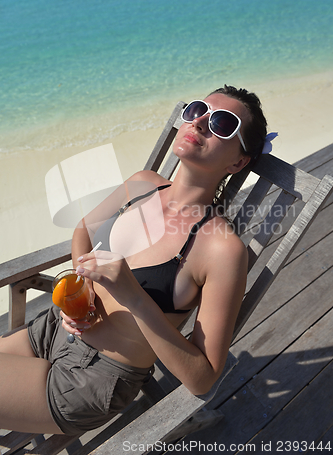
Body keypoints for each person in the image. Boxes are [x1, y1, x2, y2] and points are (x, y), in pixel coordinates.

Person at [0, 85, 267, 435]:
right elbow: (83, 229)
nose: (200, 121)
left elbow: (202, 378)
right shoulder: (142, 184)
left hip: (91, 377)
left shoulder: (221, 249)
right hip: (51, 328)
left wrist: (133, 295)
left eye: (221, 123)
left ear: (238, 161)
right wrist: (81, 293)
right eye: (197, 109)